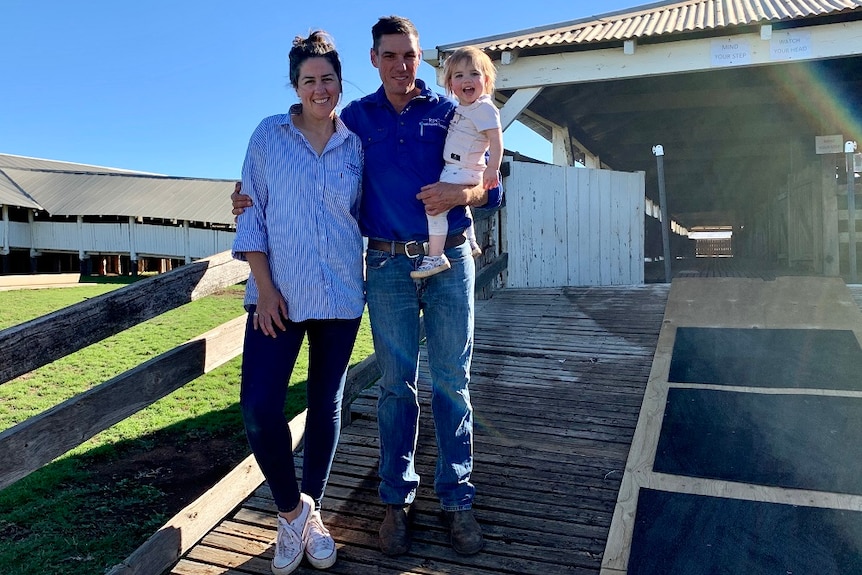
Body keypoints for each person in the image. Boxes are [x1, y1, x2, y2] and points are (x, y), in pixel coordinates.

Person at [233, 16, 503, 558]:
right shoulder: (354, 122)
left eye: (410, 55)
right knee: (395, 386)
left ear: (420, 57)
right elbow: (295, 192)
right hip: (384, 267)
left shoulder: (452, 109)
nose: (401, 66)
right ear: (373, 60)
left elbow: (491, 185)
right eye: (390, 56)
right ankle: (395, 502)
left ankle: (457, 501)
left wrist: (463, 198)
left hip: (447, 257)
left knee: (452, 381)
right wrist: (243, 200)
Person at [231, 31, 364, 575]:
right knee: (260, 407)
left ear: (339, 82)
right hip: (276, 299)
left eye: (328, 78)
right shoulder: (268, 136)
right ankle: (292, 513)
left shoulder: (356, 144)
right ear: (295, 85)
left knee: (325, 401)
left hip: (339, 296)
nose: (319, 88)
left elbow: (373, 209)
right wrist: (264, 289)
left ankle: (310, 516)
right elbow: (250, 210)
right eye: (309, 79)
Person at [410, 46, 503, 279]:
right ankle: (470, 241)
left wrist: (493, 168)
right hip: (462, 167)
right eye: (459, 75)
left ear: (487, 80)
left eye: (474, 74)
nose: (467, 80)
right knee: (461, 206)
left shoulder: (484, 108)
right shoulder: (464, 108)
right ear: (450, 83)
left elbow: (496, 138)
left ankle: (435, 255)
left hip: (462, 168)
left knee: (435, 208)